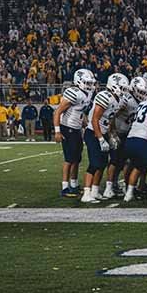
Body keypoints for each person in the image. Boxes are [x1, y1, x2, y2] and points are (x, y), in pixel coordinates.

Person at [82, 73, 129, 203]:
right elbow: (95, 119)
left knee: (102, 164)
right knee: (94, 163)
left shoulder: (119, 100)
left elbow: (110, 118)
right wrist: (100, 139)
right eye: (122, 88)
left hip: (103, 132)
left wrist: (111, 134)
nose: (124, 91)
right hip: (93, 132)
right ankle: (86, 193)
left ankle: (95, 191)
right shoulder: (104, 96)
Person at [53, 69, 96, 197]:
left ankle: (74, 185)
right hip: (67, 128)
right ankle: (65, 187)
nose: (90, 85)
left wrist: (86, 125)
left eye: (90, 83)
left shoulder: (87, 93)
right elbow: (57, 112)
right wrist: (57, 132)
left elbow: (80, 112)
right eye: (87, 83)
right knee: (69, 159)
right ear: (79, 81)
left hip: (76, 128)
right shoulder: (73, 93)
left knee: (77, 158)